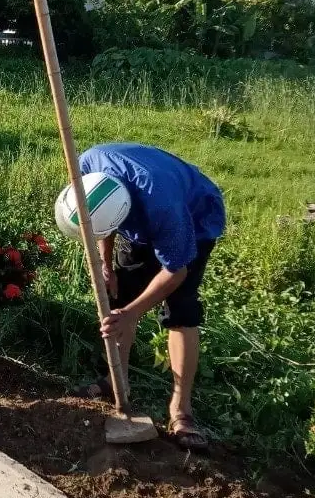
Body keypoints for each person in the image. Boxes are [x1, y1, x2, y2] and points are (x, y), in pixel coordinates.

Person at [68, 143, 225, 451]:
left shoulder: (165, 209)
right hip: (137, 213)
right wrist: (105, 263)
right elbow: (99, 221)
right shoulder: (87, 167)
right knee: (119, 300)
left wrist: (134, 312)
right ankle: (117, 381)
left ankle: (181, 411)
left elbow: (175, 271)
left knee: (180, 311)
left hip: (193, 215)